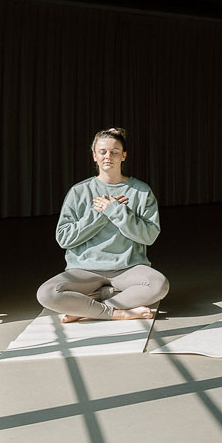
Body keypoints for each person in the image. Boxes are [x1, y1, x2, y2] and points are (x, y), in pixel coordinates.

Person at [36, 128, 169, 322]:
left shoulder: (141, 191)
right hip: (84, 270)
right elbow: (64, 238)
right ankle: (117, 312)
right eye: (103, 152)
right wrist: (100, 214)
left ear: (123, 156)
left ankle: (87, 308)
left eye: (115, 151)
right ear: (94, 156)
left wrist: (116, 211)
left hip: (127, 268)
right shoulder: (79, 191)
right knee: (47, 293)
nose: (109, 156)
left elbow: (149, 236)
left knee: (159, 284)